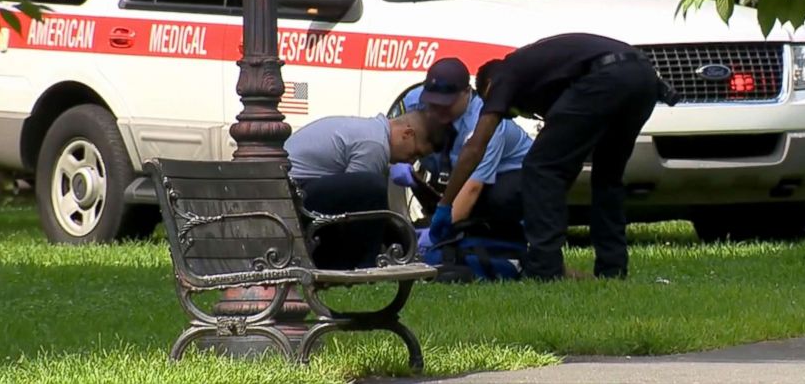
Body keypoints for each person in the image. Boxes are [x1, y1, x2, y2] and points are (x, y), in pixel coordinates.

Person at [438, 33, 666, 280]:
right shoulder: (543, 74)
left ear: (489, 88)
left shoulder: (503, 76)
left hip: (606, 79)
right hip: (643, 77)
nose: (512, 115)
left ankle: (544, 268)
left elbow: (475, 147)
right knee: (607, 178)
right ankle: (612, 269)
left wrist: (444, 204)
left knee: (540, 170)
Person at [390, 58, 531, 240]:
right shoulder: (414, 101)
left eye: (446, 104)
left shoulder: (485, 122)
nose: (439, 110)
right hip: (460, 175)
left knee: (495, 200)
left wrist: (434, 238)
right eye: (433, 103)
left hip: (514, 176)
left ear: (466, 93)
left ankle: (502, 247)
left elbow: (472, 187)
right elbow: (390, 135)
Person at [284, 111, 439, 269]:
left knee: (371, 191)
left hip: (295, 189)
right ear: (407, 134)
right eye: (415, 153)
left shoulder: (373, 132)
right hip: (293, 193)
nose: (412, 161)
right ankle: (362, 267)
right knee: (372, 187)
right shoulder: (376, 145)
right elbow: (359, 210)